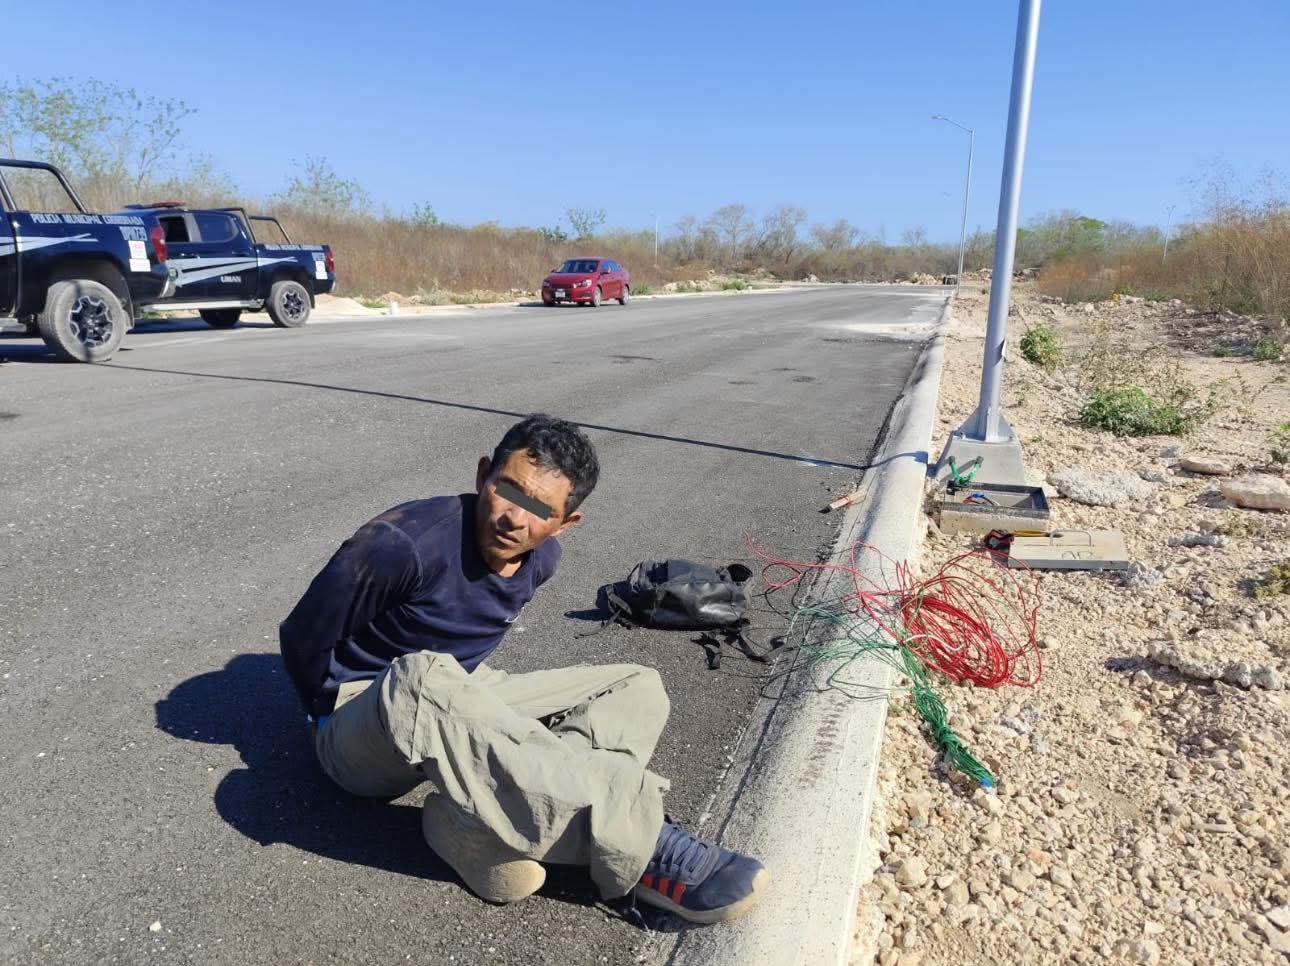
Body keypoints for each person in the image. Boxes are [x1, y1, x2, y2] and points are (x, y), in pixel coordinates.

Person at [279, 414, 768, 924]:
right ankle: (645, 844)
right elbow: (302, 635)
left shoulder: (542, 559)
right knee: (422, 676)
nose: (514, 518)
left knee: (637, 684)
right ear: (482, 475)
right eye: (507, 491)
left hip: (454, 689)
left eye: (539, 510)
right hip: (362, 723)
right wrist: (323, 719)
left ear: (564, 524)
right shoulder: (400, 545)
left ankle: (471, 826)